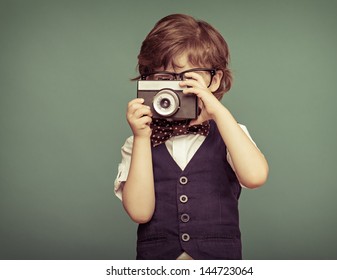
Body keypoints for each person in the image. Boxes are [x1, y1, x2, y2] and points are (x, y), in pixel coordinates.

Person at [114, 14, 269, 260]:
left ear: (214, 79)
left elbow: (255, 177)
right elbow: (140, 213)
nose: (176, 88)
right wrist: (142, 138)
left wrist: (218, 113)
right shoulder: (138, 141)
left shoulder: (230, 132)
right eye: (163, 79)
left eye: (188, 78)